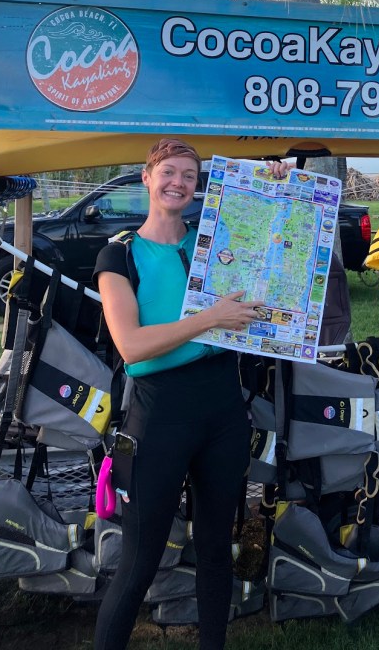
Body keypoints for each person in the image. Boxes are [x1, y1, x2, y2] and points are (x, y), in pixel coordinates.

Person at [92, 138, 289, 650]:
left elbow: (272, 234)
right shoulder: (119, 255)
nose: (178, 182)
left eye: (188, 175)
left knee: (215, 551)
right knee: (139, 560)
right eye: (169, 172)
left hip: (222, 408)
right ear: (147, 177)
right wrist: (209, 319)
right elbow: (132, 346)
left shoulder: (210, 241)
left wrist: (274, 184)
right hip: (160, 414)